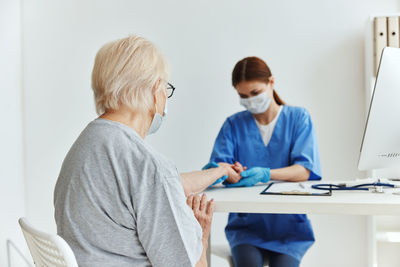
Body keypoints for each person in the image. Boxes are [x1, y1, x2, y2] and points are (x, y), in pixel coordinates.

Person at [54, 35, 239, 267]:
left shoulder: (87, 143)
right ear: (155, 90)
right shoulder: (147, 166)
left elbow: (149, 187)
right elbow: (155, 183)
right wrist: (200, 237)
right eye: (166, 88)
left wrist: (219, 171)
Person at [207, 56, 322, 267]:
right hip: (246, 227)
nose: (250, 100)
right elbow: (218, 168)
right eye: (243, 96)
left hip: (289, 228)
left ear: (271, 82)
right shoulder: (233, 125)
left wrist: (266, 174)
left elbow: (304, 170)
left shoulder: (298, 118)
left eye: (255, 93)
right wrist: (231, 172)